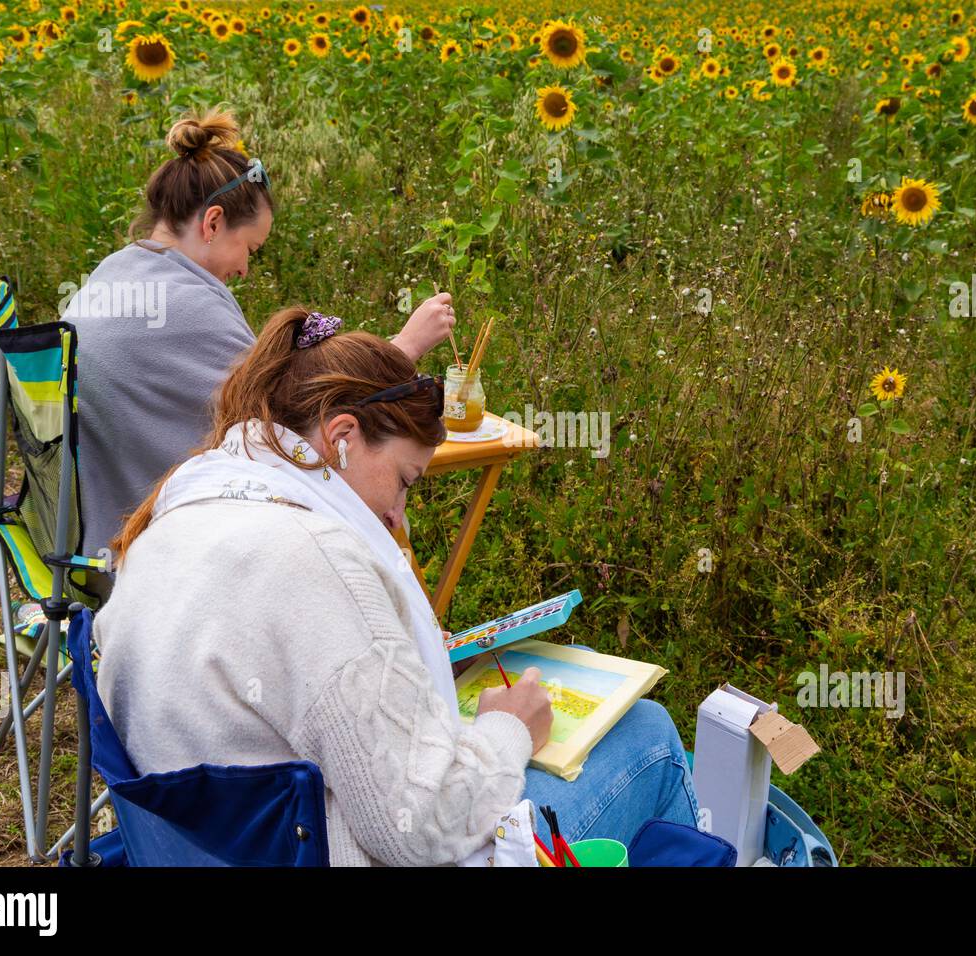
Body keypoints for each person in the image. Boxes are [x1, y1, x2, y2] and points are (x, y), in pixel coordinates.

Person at [94, 305, 698, 866]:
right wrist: (508, 729)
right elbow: (422, 826)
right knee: (649, 735)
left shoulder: (183, 507)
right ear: (342, 437)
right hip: (329, 851)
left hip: (209, 846)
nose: (399, 518)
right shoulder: (317, 559)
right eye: (405, 481)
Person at [63, 107, 456, 563]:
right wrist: (405, 348)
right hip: (151, 549)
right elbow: (291, 413)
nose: (246, 268)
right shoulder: (189, 306)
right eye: (250, 248)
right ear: (212, 224)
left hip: (78, 543)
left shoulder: (112, 275)